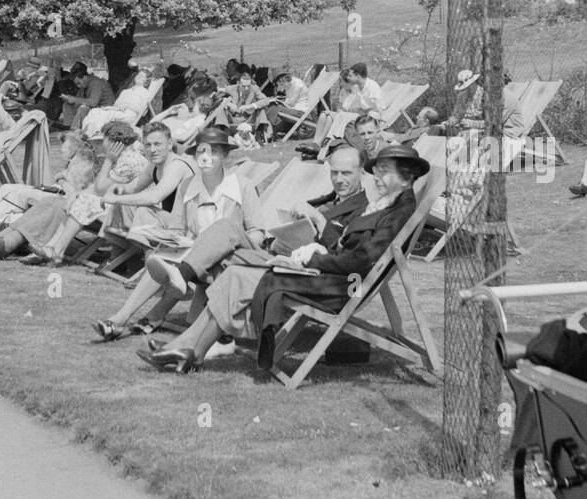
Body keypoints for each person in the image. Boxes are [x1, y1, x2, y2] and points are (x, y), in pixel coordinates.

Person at [138, 143, 429, 374]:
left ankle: (190, 349)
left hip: (340, 285)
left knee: (238, 275)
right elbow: (350, 250)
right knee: (234, 264)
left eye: (386, 172)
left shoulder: (397, 211)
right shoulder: (387, 205)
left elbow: (360, 260)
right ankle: (189, 349)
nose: (378, 177)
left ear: (407, 176)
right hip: (331, 273)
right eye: (377, 171)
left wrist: (311, 259)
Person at [93, 125, 266, 340]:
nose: (207, 157)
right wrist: (171, 240)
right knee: (165, 256)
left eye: (214, 152)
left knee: (181, 261)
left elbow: (258, 231)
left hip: (232, 257)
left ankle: (144, 317)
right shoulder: (187, 186)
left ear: (224, 155)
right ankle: (123, 318)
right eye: (202, 152)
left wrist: (230, 244)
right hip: (195, 254)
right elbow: (177, 228)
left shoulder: (242, 185)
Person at [22, 120, 148, 262]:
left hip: (133, 212)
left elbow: (100, 188)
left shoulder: (129, 161)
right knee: (78, 199)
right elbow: (98, 188)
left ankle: (56, 251)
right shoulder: (127, 155)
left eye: (104, 140)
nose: (102, 144)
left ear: (114, 142)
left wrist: (108, 160)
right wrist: (75, 194)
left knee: (84, 202)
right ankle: (52, 248)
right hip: (124, 206)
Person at [0, 134, 100, 255]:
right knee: (46, 202)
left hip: (79, 204)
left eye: (64, 146)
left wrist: (63, 178)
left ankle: (1, 241)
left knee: (52, 203)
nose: (61, 149)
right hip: (64, 197)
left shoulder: (85, 161)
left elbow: (77, 190)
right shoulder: (80, 161)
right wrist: (63, 178)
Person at [81, 66, 156, 138]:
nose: (139, 77)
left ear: (146, 81)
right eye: (138, 75)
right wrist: (109, 108)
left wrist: (126, 106)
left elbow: (143, 112)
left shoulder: (145, 92)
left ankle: (92, 132)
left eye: (142, 76)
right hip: (118, 111)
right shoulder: (126, 91)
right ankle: (87, 130)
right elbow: (116, 105)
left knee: (106, 115)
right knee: (94, 111)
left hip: (130, 114)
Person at [217, 65, 274, 139]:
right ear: (238, 83)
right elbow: (218, 94)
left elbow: (266, 100)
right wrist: (229, 104)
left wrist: (250, 106)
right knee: (220, 109)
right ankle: (225, 136)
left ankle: (259, 137)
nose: (246, 88)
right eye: (243, 86)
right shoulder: (232, 88)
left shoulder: (254, 89)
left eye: (248, 86)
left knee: (261, 109)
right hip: (234, 118)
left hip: (248, 118)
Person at [57, 62, 114, 130]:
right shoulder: (84, 84)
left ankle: (74, 130)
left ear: (84, 77)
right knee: (67, 105)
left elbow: (93, 102)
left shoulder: (96, 83)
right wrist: (68, 98)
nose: (78, 86)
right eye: (77, 84)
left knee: (83, 108)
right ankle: (68, 127)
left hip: (105, 110)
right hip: (95, 108)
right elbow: (78, 98)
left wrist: (74, 99)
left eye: (79, 83)